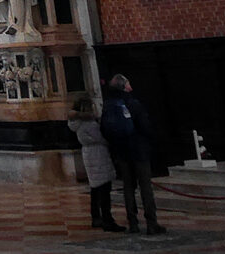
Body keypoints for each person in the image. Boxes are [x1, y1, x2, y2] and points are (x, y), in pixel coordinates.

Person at [101, 74, 165, 235]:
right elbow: (144, 126)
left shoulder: (109, 105)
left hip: (122, 152)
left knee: (128, 187)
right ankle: (151, 223)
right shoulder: (133, 103)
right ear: (125, 86)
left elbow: (104, 129)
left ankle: (133, 223)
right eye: (128, 82)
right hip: (139, 150)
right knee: (145, 187)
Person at [68, 98, 123, 232]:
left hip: (90, 154)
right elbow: (101, 137)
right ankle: (106, 219)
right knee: (103, 188)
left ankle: (96, 217)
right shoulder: (89, 124)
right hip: (98, 155)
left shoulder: (78, 123)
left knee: (95, 187)